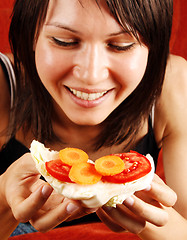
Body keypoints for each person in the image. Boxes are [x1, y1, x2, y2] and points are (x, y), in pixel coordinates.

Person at [0, 0, 186, 239]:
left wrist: (157, 219)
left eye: (121, 45)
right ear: (32, 35)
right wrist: (4, 196)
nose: (91, 75)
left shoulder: (173, 83)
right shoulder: (5, 84)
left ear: (153, 47)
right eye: (64, 41)